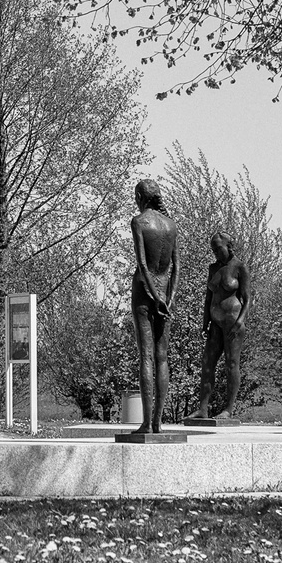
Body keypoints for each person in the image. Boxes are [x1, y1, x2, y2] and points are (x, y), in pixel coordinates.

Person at [130, 179, 178, 434]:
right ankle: (157, 422)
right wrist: (168, 297)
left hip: (145, 293)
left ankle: (148, 423)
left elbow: (142, 264)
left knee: (146, 356)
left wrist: (154, 295)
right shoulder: (171, 225)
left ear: (140, 196)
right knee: (162, 357)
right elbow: (177, 268)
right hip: (166, 292)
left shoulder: (139, 222)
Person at [194, 231, 250, 419]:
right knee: (207, 363)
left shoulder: (239, 267)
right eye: (213, 250)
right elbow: (208, 297)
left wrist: (240, 321)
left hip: (232, 323)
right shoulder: (213, 268)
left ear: (229, 247)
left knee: (231, 363)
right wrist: (204, 322)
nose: (215, 253)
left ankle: (228, 409)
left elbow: (248, 298)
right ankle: (202, 409)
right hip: (215, 324)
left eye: (218, 249)